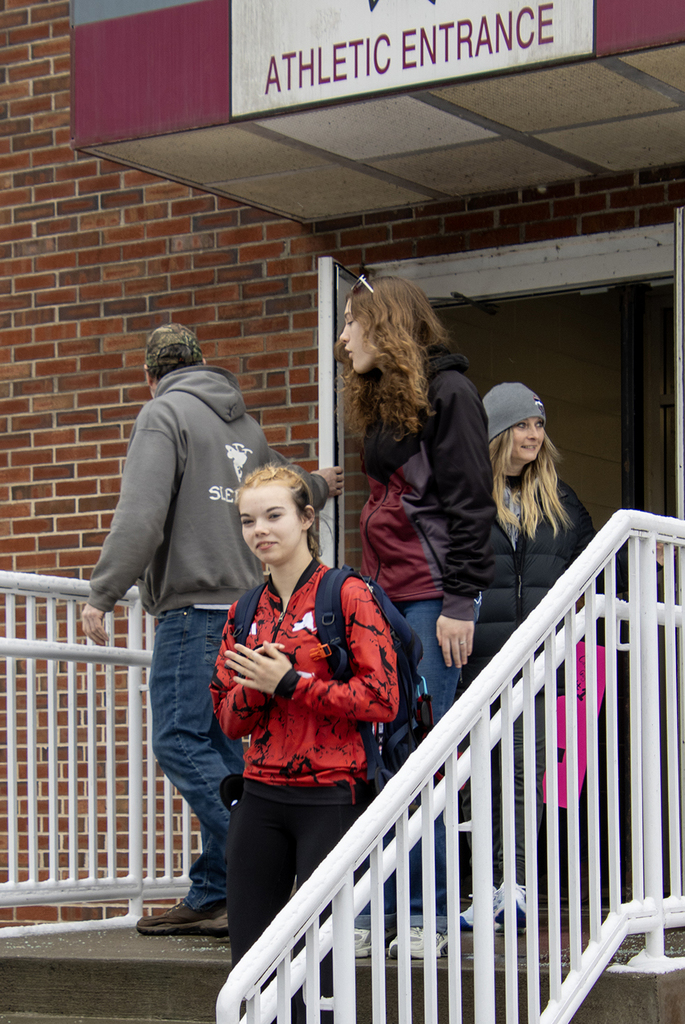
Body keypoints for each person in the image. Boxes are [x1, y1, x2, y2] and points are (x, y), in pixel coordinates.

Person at [81, 323, 342, 937]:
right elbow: (288, 488)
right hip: (244, 613)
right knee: (225, 748)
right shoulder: (243, 426)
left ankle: (261, 854)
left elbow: (141, 514)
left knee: (179, 739)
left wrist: (103, 592)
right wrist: (320, 485)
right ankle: (216, 889)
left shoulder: (163, 414)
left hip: (193, 614)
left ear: (152, 376)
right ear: (202, 364)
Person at [336, 275, 495, 959]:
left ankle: (430, 913)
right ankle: (382, 911)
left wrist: (459, 603)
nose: (343, 338)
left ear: (386, 323)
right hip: (386, 598)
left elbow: (471, 505)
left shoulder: (451, 393)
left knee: (422, 756)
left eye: (352, 322)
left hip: (433, 598)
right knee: (382, 751)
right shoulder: (384, 399)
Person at [210, 464, 398, 1014]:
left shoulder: (348, 594)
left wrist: (291, 683)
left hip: (332, 796)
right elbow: (228, 721)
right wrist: (259, 687)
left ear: (307, 517)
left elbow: (382, 697)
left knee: (320, 969)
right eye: (248, 520)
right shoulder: (244, 610)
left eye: (274, 515)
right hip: (259, 796)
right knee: (251, 967)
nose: (260, 530)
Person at [458, 382, 596, 933]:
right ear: (497, 432)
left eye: (539, 425)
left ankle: (512, 885)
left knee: (523, 771)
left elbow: (596, 565)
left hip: (537, 663)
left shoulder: (561, 500)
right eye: (522, 425)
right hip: (476, 661)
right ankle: (485, 886)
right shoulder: (467, 496)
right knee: (480, 776)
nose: (534, 435)